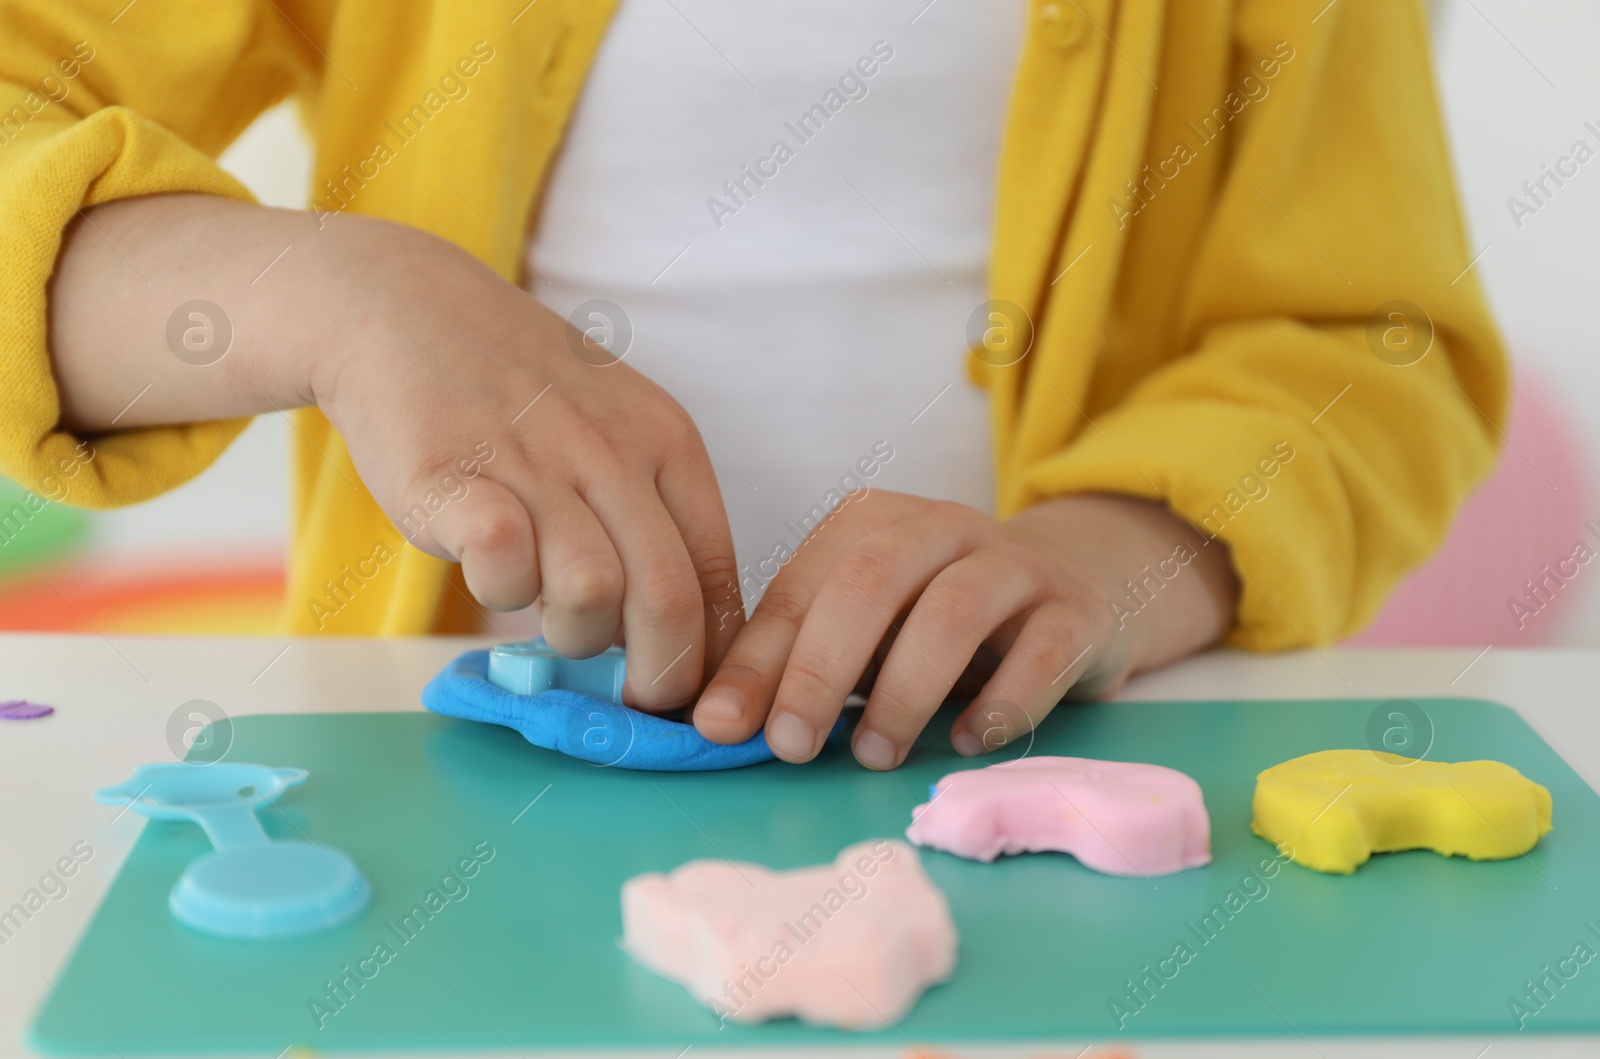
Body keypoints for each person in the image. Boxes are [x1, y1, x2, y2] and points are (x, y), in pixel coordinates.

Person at [0, 0, 1504, 770]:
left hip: (1023, 775)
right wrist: (330, 292)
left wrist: (1104, 557)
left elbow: (1372, 346)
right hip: (452, 804)